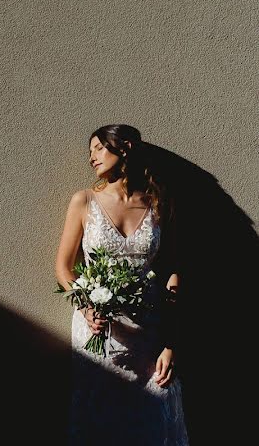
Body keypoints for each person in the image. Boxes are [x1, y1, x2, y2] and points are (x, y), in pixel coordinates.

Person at [54, 124, 188, 445]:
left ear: (125, 147)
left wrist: (170, 343)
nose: (91, 158)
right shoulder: (84, 201)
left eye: (98, 148)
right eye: (90, 153)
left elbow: (173, 271)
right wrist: (87, 306)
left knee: (149, 420)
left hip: (149, 330)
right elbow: (63, 267)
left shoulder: (157, 202)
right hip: (99, 329)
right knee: (101, 421)